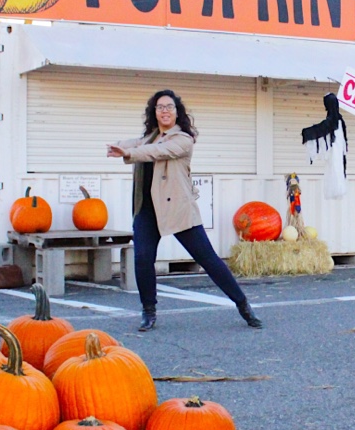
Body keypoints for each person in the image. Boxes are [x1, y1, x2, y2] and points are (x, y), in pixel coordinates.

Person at [108, 90, 262, 332]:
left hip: (178, 209)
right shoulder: (150, 137)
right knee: (142, 259)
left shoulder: (182, 139)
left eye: (169, 106)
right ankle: (148, 311)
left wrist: (127, 153)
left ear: (177, 111)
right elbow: (138, 144)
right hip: (147, 210)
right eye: (160, 107)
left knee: (208, 259)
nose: (165, 111)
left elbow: (155, 152)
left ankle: (242, 304)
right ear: (154, 112)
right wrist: (118, 146)